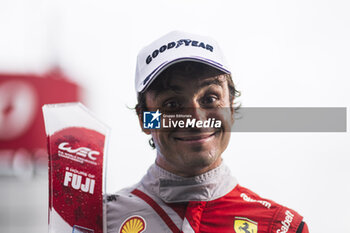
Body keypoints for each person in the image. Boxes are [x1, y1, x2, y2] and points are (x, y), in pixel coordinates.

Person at [107, 31, 309, 233]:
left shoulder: (280, 226)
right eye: (172, 104)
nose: (196, 119)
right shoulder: (100, 221)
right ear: (144, 119)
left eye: (210, 99)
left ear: (230, 107)